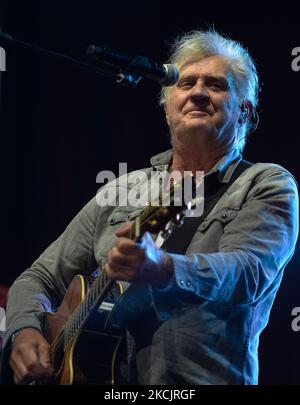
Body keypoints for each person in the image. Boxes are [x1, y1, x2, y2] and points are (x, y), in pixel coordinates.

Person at [1, 29, 299, 385]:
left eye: (216, 85)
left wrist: (164, 268)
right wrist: (22, 330)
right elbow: (39, 277)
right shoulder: (125, 188)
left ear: (245, 112)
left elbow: (246, 273)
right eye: (186, 83)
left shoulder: (266, 183)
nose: (199, 93)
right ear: (167, 105)